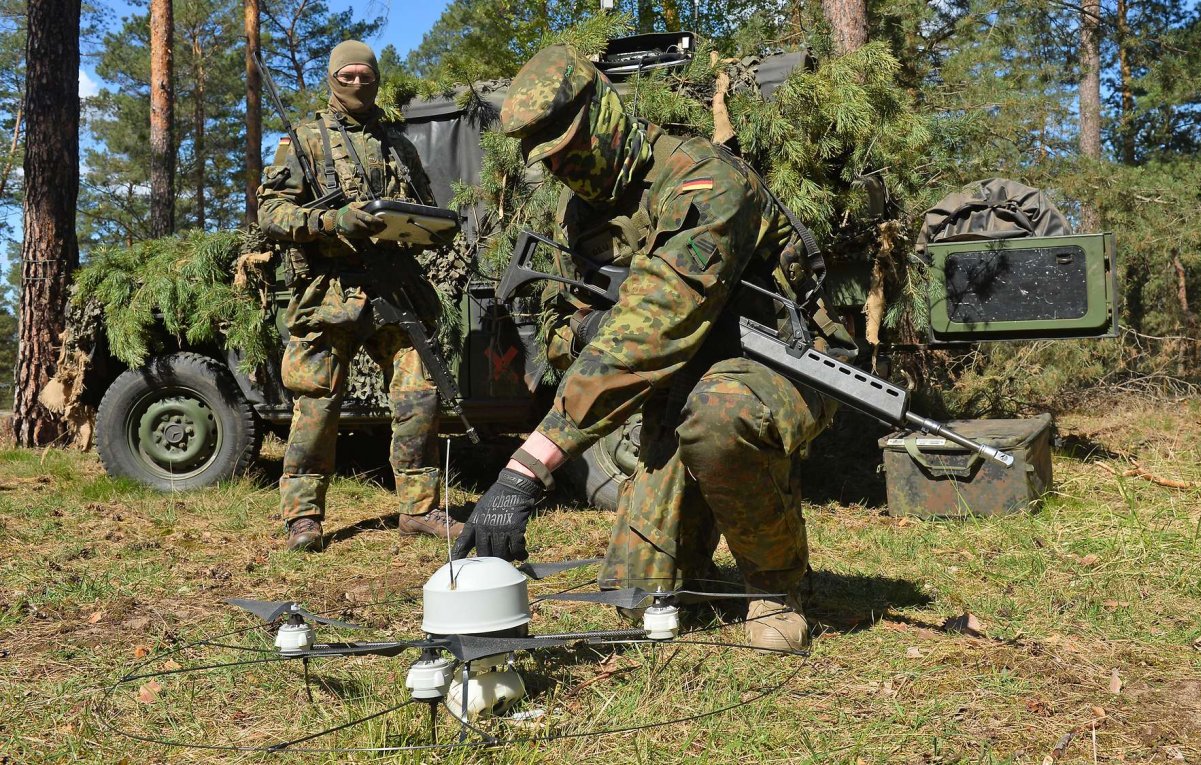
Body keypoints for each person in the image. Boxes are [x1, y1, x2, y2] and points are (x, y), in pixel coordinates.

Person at [453, 44, 854, 651]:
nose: (569, 172)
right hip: (679, 374)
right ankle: (695, 565)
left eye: (573, 152)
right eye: (554, 163)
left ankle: (773, 585)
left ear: (604, 117)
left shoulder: (705, 181)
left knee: (719, 415)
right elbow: (571, 325)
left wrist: (525, 470)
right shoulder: (585, 215)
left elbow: (654, 324)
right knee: (641, 594)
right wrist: (584, 332)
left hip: (780, 361)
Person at [257, 40, 460, 552]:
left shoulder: (398, 144)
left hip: (394, 284)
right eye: (345, 75)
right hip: (329, 289)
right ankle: (302, 517)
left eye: (364, 74)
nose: (355, 83)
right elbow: (271, 214)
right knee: (316, 404)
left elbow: (424, 208)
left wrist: (425, 228)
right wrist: (331, 220)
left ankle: (420, 509)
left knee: (418, 396)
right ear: (331, 78)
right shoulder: (304, 140)